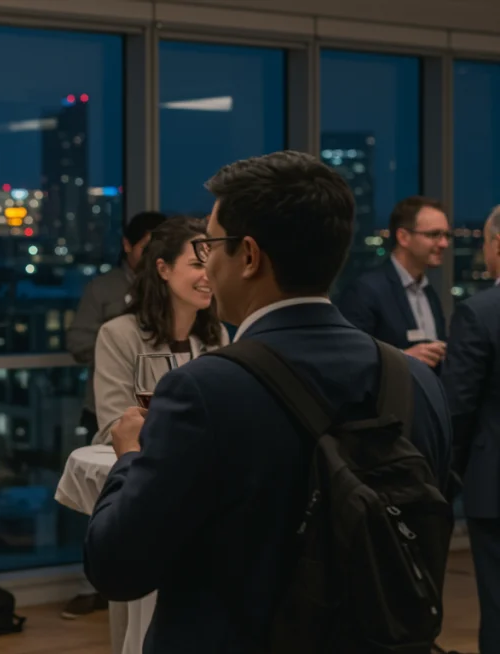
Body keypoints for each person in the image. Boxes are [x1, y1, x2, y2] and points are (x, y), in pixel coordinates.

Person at [84, 151, 452, 653]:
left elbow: (117, 567)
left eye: (212, 244)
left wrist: (129, 458)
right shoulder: (416, 380)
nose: (208, 263)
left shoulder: (203, 389)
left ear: (250, 256)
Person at [89, 217, 228, 654]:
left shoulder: (218, 334)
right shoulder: (120, 333)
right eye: (195, 264)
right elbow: (115, 423)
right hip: (145, 483)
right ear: (164, 269)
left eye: (211, 263)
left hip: (207, 490)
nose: (207, 276)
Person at [61, 210, 165, 619]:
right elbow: (78, 340)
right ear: (128, 246)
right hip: (104, 406)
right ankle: (99, 581)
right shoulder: (103, 289)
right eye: (147, 247)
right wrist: (115, 353)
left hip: (152, 415)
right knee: (106, 496)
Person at [443, 205, 500, 653]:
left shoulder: (479, 313)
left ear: (497, 245)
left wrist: (450, 473)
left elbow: (458, 407)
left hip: (494, 487)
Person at [337, 196, 450, 369]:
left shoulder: (429, 292)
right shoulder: (366, 291)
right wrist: (403, 358)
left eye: (446, 235)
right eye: (434, 234)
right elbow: (349, 358)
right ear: (403, 237)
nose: (444, 243)